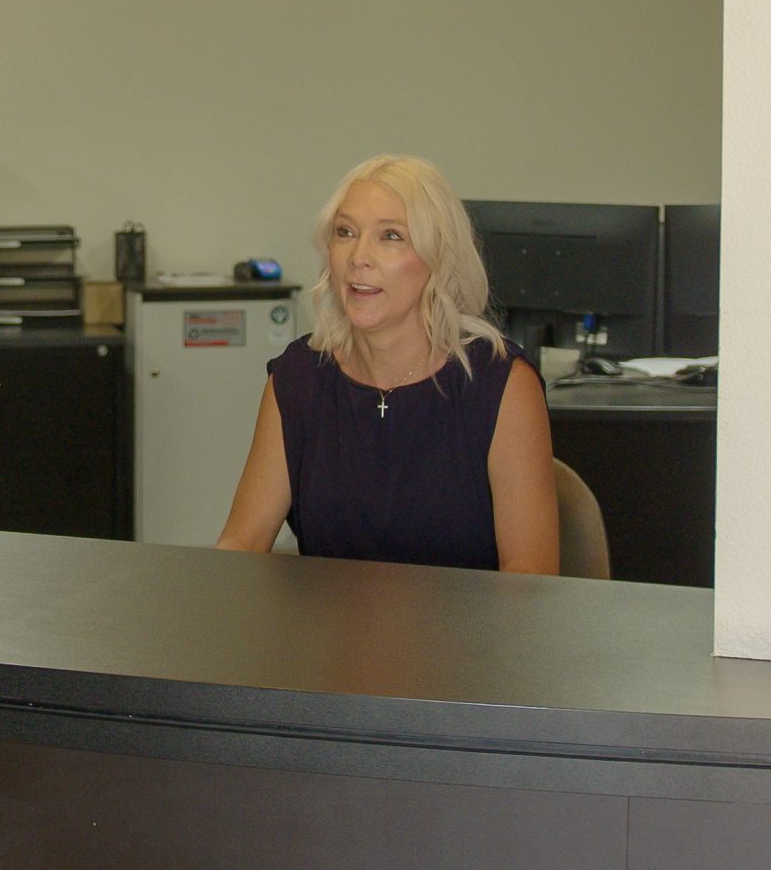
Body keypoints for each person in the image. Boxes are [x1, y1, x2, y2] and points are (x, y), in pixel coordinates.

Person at [215, 155, 559, 573]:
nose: (359, 256)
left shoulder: (499, 383)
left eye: (390, 236)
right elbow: (242, 541)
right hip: (326, 635)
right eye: (346, 232)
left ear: (439, 258)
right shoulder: (298, 379)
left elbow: (531, 580)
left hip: (465, 637)